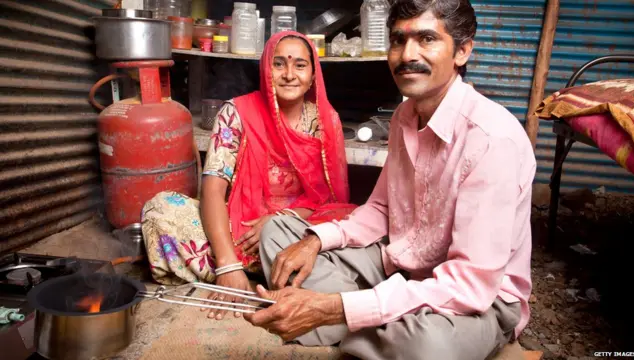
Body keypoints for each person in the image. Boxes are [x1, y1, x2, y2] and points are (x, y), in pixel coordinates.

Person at [244, 1, 537, 359]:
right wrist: (317, 241)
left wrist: (334, 308)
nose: (407, 55)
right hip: (402, 265)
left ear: (462, 51)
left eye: (426, 39)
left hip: (474, 298)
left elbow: (470, 284)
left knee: (427, 345)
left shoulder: (492, 139)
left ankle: (346, 319)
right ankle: (369, 322)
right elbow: (382, 208)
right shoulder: (405, 115)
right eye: (398, 40)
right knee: (280, 232)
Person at [141, 31, 357, 320]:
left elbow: (331, 197)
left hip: (295, 232)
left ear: (313, 75)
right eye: (279, 64)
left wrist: (283, 220)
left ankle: (263, 272)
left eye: (300, 65)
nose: (289, 74)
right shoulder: (236, 113)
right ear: (265, 69)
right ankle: (248, 275)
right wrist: (228, 262)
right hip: (241, 228)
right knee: (160, 210)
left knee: (356, 220)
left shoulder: (325, 121)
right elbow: (213, 191)